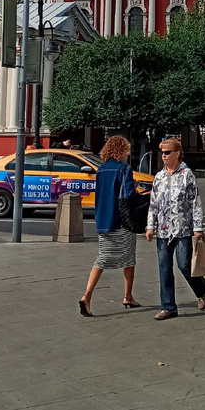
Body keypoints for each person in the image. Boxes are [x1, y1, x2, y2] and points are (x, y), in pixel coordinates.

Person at [145, 138, 205, 320]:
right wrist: (150, 226)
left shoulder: (186, 175)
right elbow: (153, 204)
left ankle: (203, 288)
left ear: (177, 154)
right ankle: (168, 306)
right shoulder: (159, 177)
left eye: (167, 153)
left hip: (183, 228)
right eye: (162, 153)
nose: (164, 156)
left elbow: (195, 202)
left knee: (184, 264)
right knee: (164, 267)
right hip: (163, 229)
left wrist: (198, 227)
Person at [79, 135, 139, 317]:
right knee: (128, 257)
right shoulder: (124, 169)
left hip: (103, 219)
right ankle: (125, 296)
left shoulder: (101, 169)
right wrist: (135, 186)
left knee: (103, 258)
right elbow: (128, 194)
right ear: (122, 150)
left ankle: (89, 295)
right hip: (121, 220)